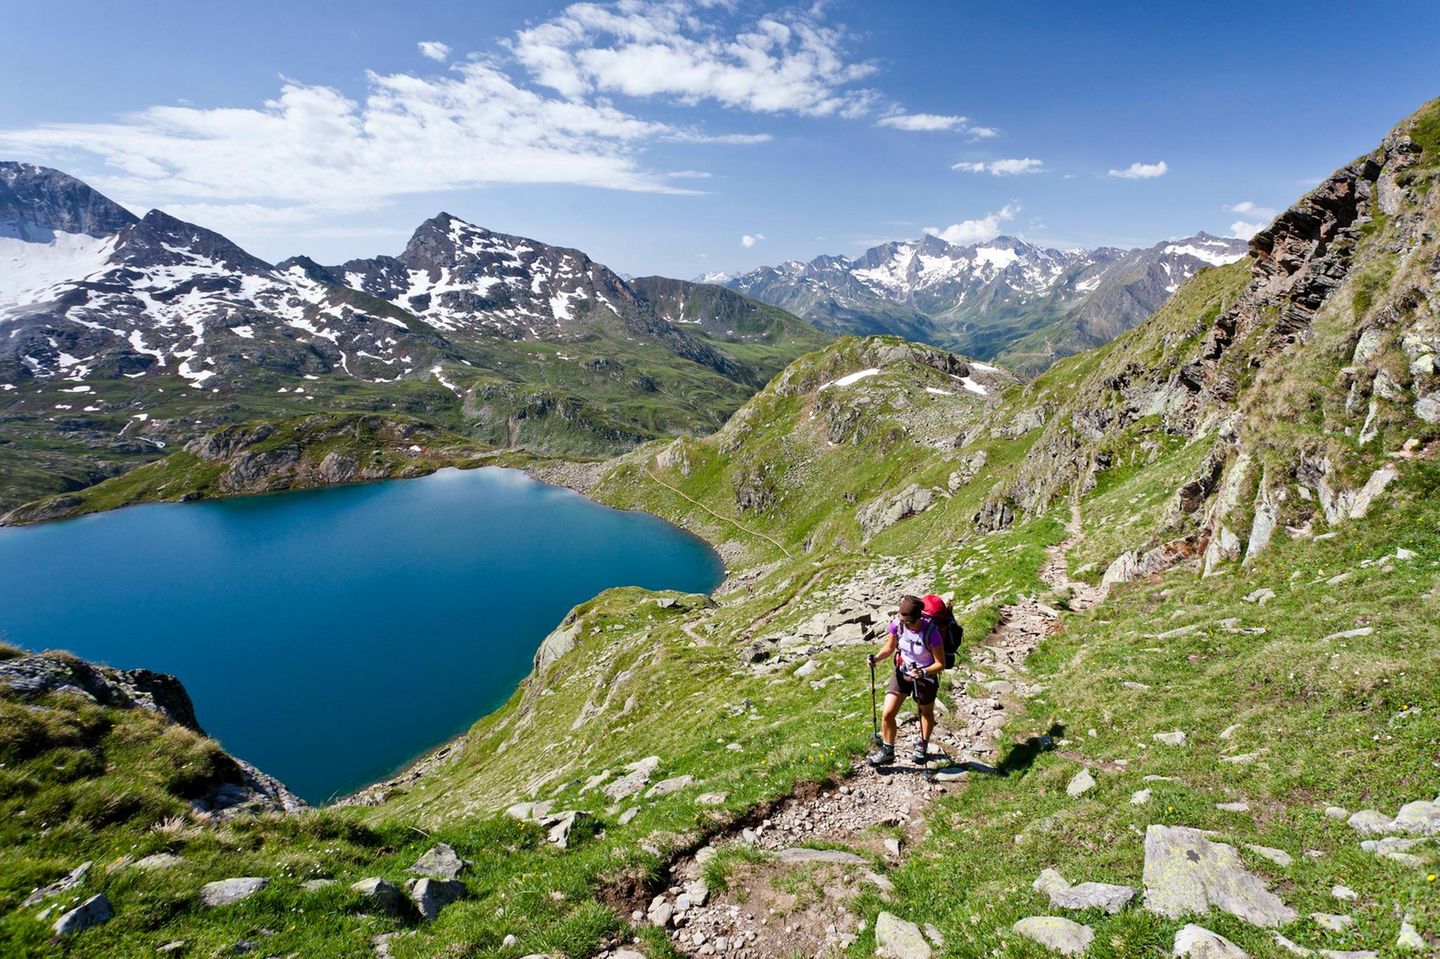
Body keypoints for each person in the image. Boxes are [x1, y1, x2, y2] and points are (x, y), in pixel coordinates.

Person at [866, 594, 945, 766]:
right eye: (903, 621)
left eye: (909, 622)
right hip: (902, 672)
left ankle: (922, 744)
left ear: (919, 617)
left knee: (926, 713)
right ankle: (888, 751)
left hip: (925, 678)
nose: (905, 625)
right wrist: (876, 658)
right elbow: (889, 647)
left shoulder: (931, 633)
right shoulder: (898, 625)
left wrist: (923, 672)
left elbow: (940, 664)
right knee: (887, 713)